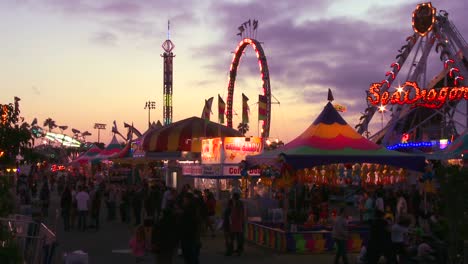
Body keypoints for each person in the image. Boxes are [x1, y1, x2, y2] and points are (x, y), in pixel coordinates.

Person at [180, 192, 201, 264]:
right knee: (192, 255)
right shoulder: (193, 208)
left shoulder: (189, 209)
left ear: (188, 199)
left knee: (190, 255)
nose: (184, 200)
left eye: (185, 199)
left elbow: (188, 222)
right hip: (191, 234)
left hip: (189, 234)